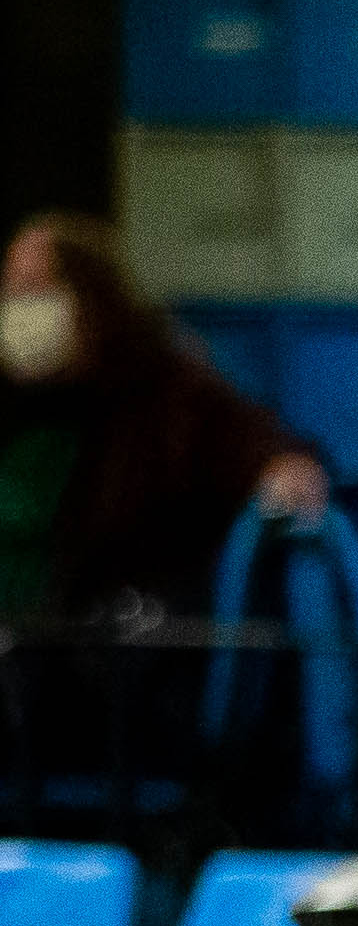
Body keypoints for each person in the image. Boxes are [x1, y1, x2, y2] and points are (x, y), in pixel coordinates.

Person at [0, 214, 317, 627]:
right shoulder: (17, 407)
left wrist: (286, 473)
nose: (15, 309)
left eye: (33, 291)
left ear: (88, 298)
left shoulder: (164, 391)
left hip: (121, 656)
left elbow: (256, 449)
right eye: (9, 292)